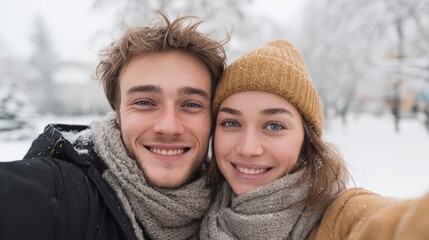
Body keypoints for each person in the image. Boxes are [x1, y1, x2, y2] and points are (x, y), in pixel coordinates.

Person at [0, 12, 228, 240]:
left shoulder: (232, 203)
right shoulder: (69, 191)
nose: (169, 127)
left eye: (191, 104)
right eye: (144, 102)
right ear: (117, 114)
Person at [200, 40, 429, 239]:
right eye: (231, 123)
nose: (248, 148)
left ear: (306, 139)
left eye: (274, 126)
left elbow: (395, 226)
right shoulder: (198, 209)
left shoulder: (340, 216)